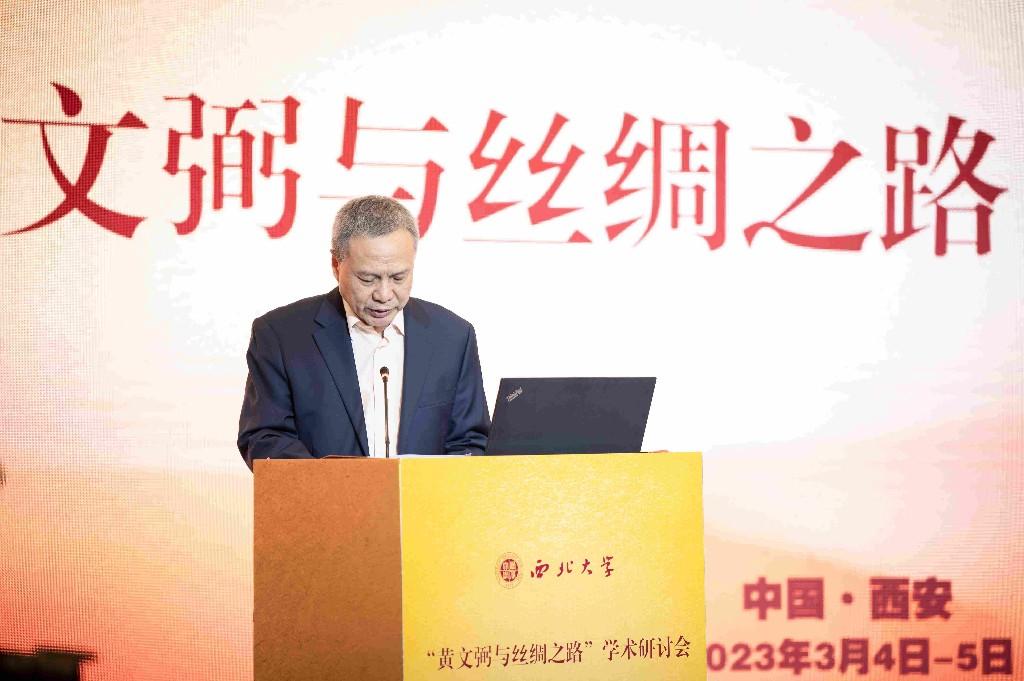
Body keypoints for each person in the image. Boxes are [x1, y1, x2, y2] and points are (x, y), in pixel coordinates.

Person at [237, 196, 489, 468]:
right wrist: (340, 486)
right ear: (336, 265)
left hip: (425, 495)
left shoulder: (453, 336)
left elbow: (470, 440)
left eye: (399, 277)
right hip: (325, 495)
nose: (384, 294)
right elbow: (265, 438)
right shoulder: (280, 336)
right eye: (368, 279)